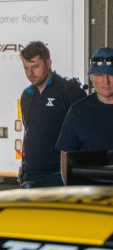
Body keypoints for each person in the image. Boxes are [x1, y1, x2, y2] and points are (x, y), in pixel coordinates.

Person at [19, 41, 87, 188]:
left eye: (35, 67)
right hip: (30, 177)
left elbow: (86, 132)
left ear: (48, 63)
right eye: (26, 68)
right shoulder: (27, 95)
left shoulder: (68, 90)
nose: (30, 73)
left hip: (58, 177)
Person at [56, 47, 113, 183]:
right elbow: (65, 155)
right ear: (92, 78)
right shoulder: (78, 112)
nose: (105, 81)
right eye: (99, 75)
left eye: (111, 75)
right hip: (91, 198)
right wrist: (70, 191)